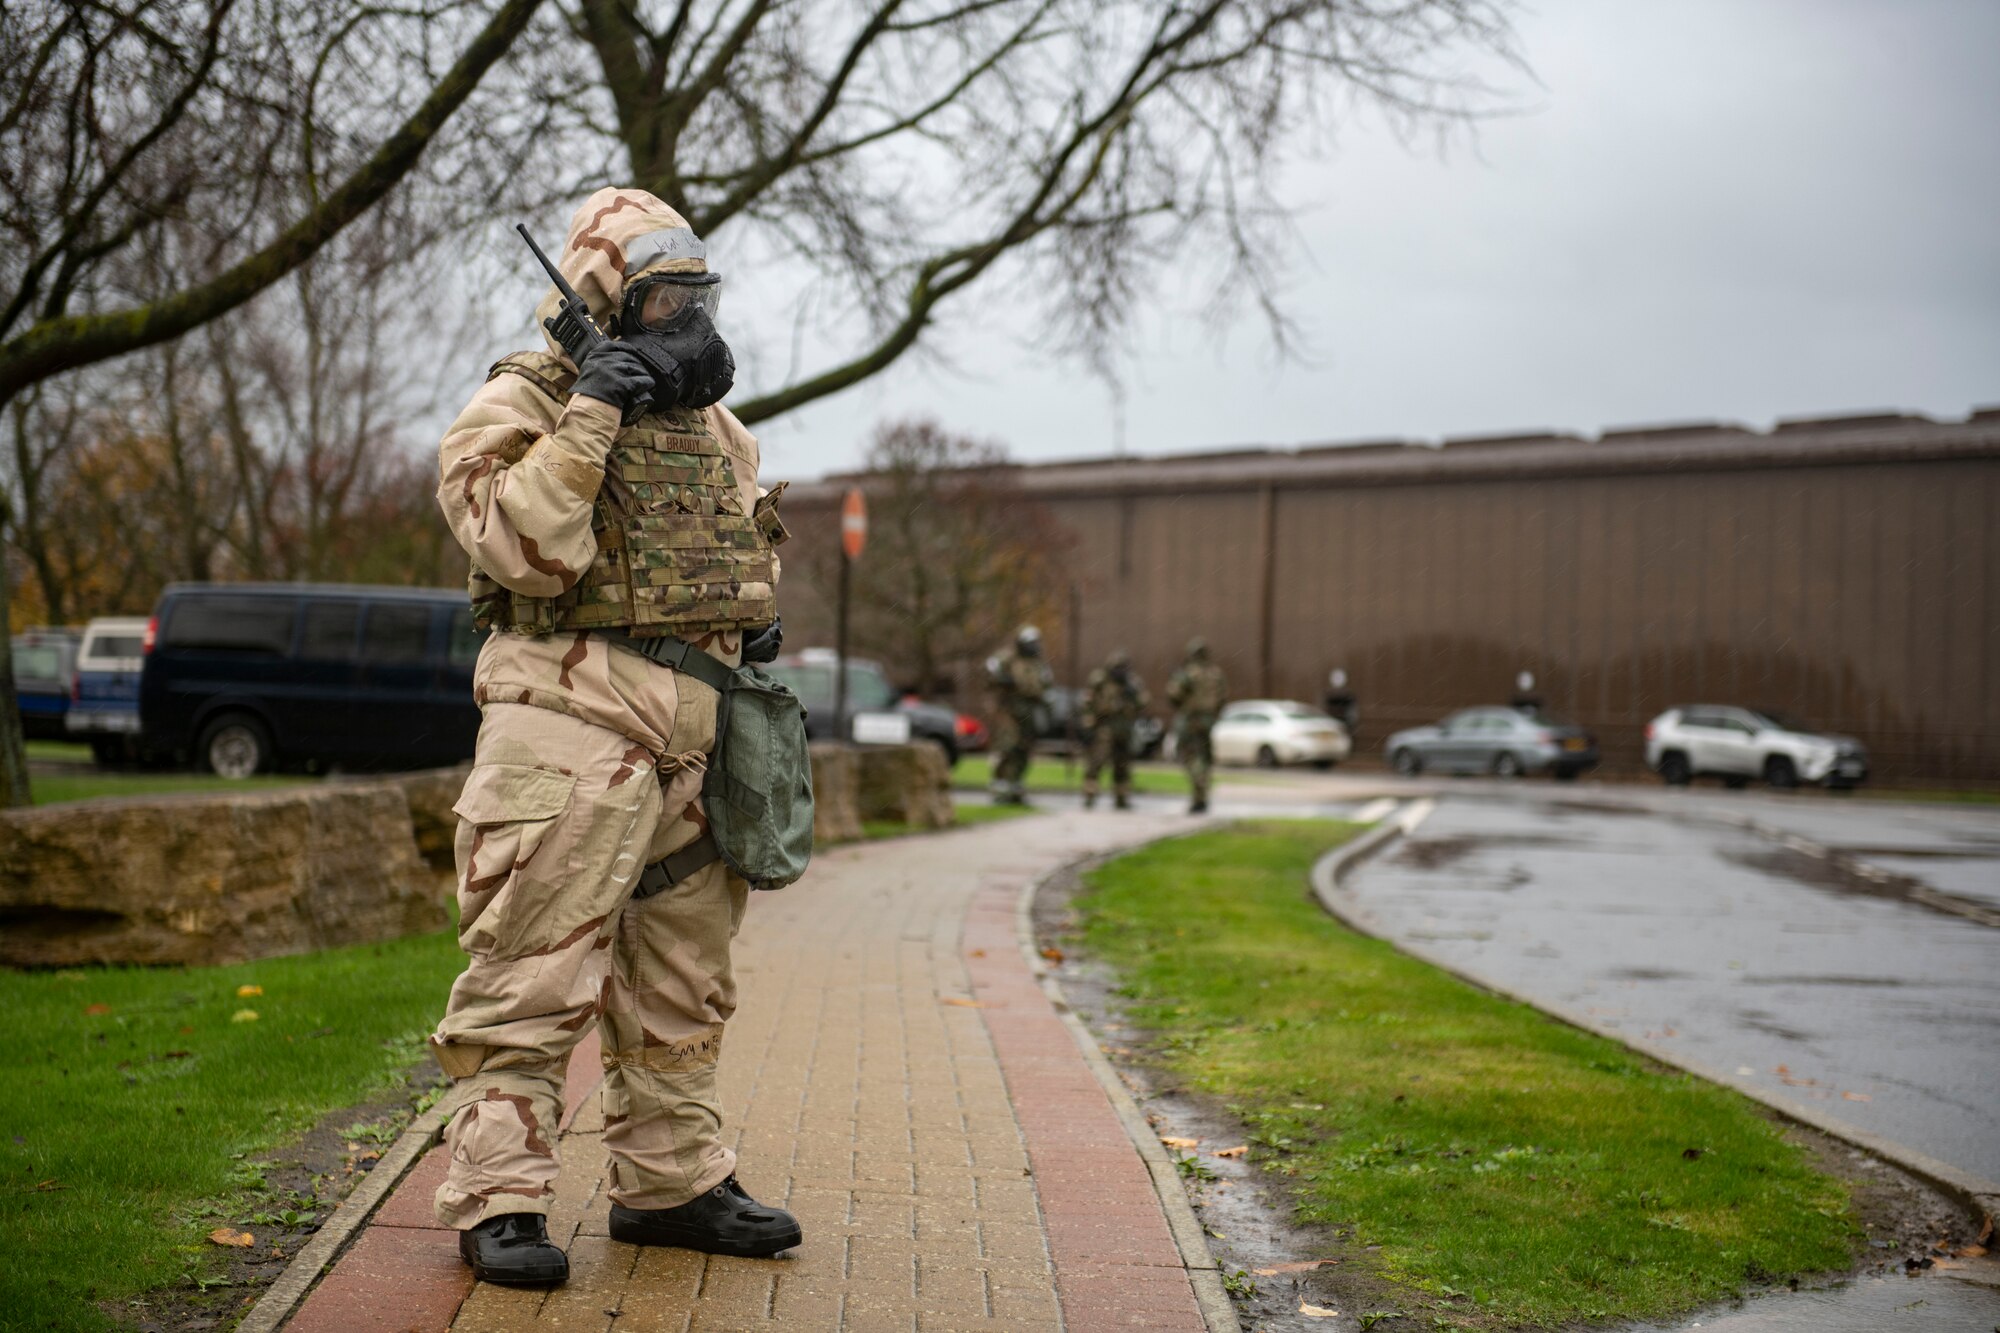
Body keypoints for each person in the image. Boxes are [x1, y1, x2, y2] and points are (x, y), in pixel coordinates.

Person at [428, 187, 800, 1287]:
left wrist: (757, 605)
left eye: (698, 293)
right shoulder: (521, 401)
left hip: (695, 735)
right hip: (568, 730)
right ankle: (499, 1197)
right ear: (603, 294)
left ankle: (670, 1182)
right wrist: (590, 405)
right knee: (530, 969)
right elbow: (523, 544)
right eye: (661, 296)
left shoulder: (711, 424)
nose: (686, 315)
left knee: (681, 976)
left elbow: (740, 540)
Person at [986, 625, 1051, 804]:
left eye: (1036, 642)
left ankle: (1016, 786)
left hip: (1029, 711)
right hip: (1009, 710)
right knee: (1007, 746)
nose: (1034, 646)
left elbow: (1046, 684)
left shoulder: (1038, 663)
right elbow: (990, 671)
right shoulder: (1007, 659)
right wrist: (1002, 679)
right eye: (1030, 642)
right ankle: (999, 785)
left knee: (1024, 748)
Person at [1079, 649, 1149, 810]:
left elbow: (1143, 702)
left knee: (1122, 765)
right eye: (1117, 667)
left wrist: (1134, 696)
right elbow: (1088, 702)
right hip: (1105, 726)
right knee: (1097, 762)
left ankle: (1121, 797)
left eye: (1122, 667)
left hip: (1124, 727)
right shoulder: (1100, 680)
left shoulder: (1132, 683)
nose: (1120, 671)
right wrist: (1088, 723)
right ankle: (1090, 794)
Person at [1165, 638, 1227, 814]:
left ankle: (1199, 792)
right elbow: (1223, 698)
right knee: (1205, 758)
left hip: (1190, 720)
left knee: (1189, 756)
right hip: (1208, 721)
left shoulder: (1188, 673)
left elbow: (1174, 695)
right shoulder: (1216, 673)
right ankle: (1202, 794)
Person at [1323, 667, 1359, 742]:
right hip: (1332, 727)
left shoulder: (1349, 696)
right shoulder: (1327, 695)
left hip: (1344, 727)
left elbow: (1352, 714)